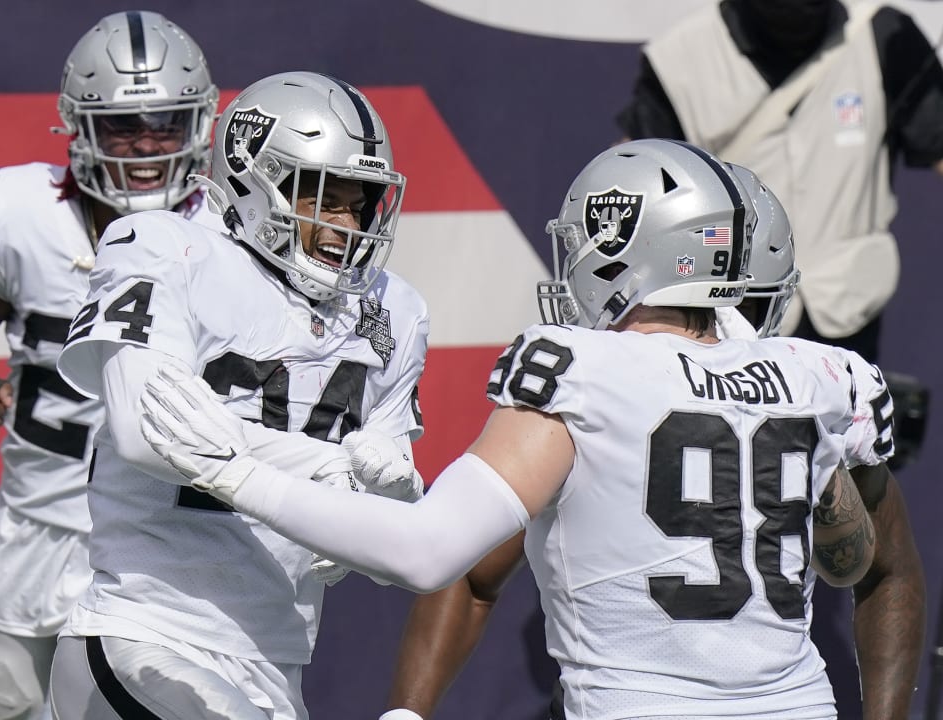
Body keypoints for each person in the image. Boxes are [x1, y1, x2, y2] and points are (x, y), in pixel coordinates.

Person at [139, 140, 880, 719]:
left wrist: (232, 472)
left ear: (634, 250)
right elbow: (860, 564)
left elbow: (428, 552)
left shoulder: (587, 368)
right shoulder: (816, 378)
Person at [380, 164, 926, 720]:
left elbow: (471, 569)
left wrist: (407, 712)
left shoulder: (589, 381)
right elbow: (884, 570)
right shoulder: (816, 385)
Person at [48, 70, 428, 719]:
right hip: (146, 634)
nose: (345, 224)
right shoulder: (165, 248)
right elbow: (150, 432)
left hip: (276, 657)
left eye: (358, 203)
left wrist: (391, 501)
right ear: (259, 183)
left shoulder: (394, 312)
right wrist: (329, 470)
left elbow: (382, 551)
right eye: (323, 199)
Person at [0, 11, 218, 719]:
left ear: (198, 124)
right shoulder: (23, 220)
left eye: (166, 124)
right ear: (78, 127)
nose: (145, 147)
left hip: (168, 548)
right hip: (36, 534)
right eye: (121, 127)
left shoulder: (227, 235)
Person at [616, 0, 943, 364]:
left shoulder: (882, 33)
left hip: (847, 319)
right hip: (727, 324)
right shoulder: (678, 60)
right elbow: (640, 187)